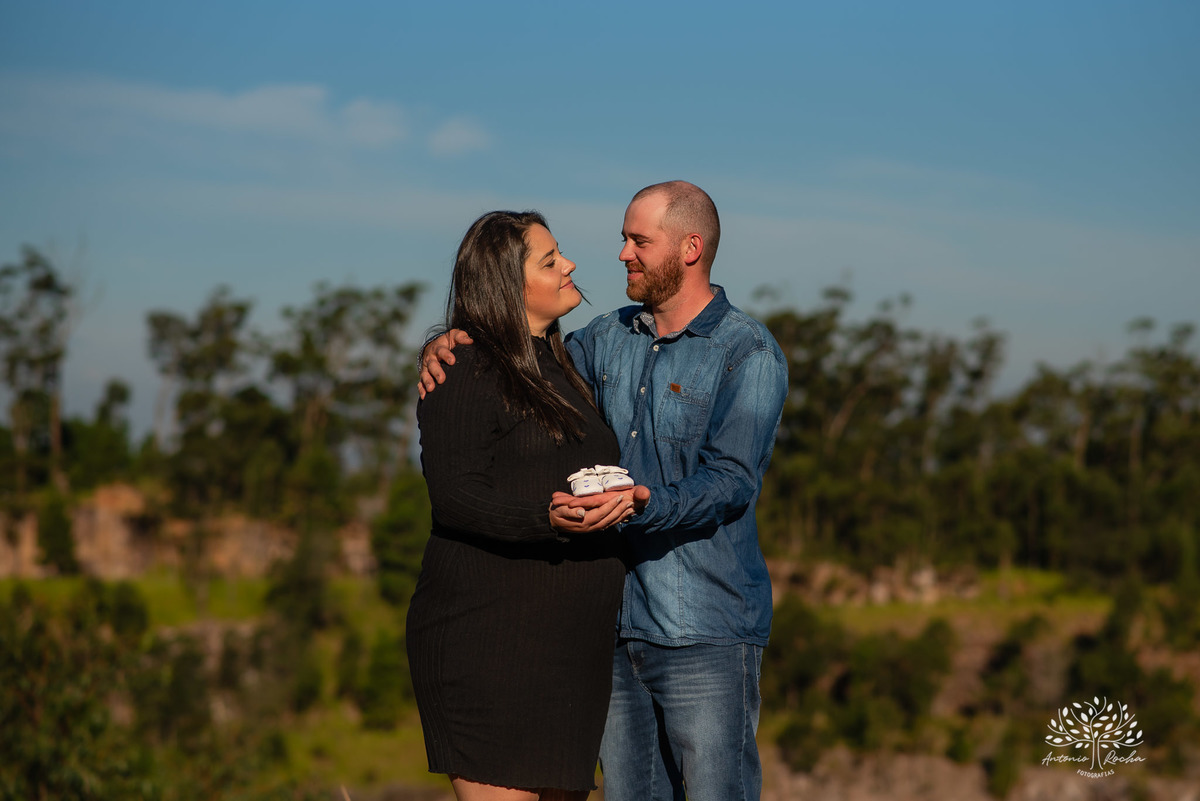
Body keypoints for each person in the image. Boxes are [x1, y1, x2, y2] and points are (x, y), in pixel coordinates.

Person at [420, 182, 788, 801]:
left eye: (638, 241)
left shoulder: (746, 352)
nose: (621, 253)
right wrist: (452, 338)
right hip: (611, 633)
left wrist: (645, 503)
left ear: (691, 248)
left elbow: (731, 481)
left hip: (705, 627)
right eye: (624, 238)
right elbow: (517, 358)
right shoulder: (600, 341)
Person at [406, 210, 648, 801]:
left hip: (569, 657)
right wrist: (547, 519)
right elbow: (455, 495)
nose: (569, 265)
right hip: (492, 649)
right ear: (506, 287)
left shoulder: (565, 364)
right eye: (549, 260)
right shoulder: (465, 365)